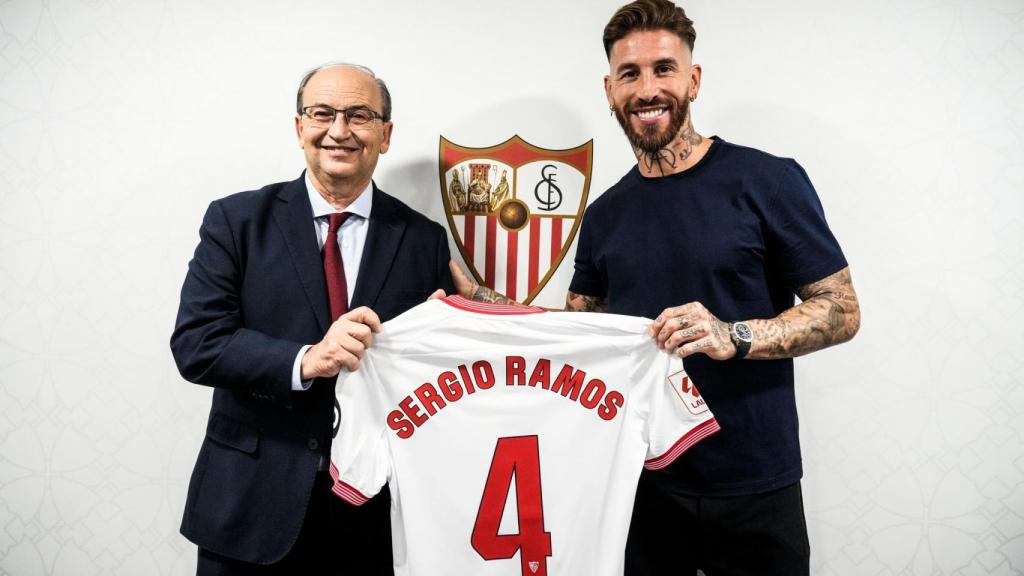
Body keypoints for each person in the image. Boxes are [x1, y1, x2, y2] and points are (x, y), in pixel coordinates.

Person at [452, 1, 861, 573]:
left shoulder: (767, 180)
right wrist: (490, 309)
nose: (647, 89)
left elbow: (840, 310)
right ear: (610, 90)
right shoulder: (605, 214)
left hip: (753, 485)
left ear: (693, 79)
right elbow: (581, 332)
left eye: (663, 69)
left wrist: (732, 334)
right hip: (639, 483)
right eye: (630, 74)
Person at [171, 62, 455, 575]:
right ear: (299, 126)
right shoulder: (235, 221)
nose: (339, 130)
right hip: (249, 507)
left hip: (374, 518)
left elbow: (437, 367)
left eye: (360, 115)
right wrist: (308, 359)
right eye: (322, 113)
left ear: (385, 135)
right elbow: (197, 343)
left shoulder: (423, 239)